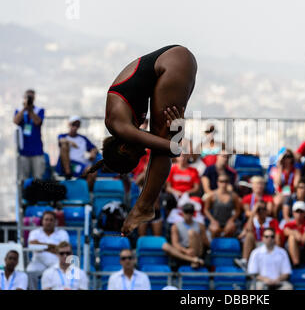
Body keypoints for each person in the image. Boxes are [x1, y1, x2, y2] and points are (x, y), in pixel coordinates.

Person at [86, 45, 197, 236]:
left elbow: (173, 149)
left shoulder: (120, 126)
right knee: (164, 138)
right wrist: (178, 129)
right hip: (174, 63)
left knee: (162, 146)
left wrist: (178, 130)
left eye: (137, 154)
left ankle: (144, 207)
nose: (143, 151)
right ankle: (144, 206)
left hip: (173, 64)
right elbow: (174, 147)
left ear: (123, 148)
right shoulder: (120, 125)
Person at [26, 211, 70, 290]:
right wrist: (53, 247)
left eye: (51, 220)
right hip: (38, 261)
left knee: (62, 273)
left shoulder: (63, 233)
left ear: (55, 222)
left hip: (56, 262)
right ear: (42, 221)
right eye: (46, 220)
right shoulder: (34, 232)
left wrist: (41, 246)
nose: (48, 222)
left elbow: (63, 249)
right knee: (30, 271)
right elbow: (32, 246)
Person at [236, 201, 281, 270]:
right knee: (249, 235)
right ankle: (244, 261)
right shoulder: (253, 220)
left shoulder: (273, 221)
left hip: (268, 245)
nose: (261, 211)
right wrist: (253, 212)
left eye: (264, 209)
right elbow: (246, 231)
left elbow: (278, 238)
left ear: (267, 211)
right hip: (255, 246)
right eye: (259, 209)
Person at [56, 115, 99, 189]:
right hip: (68, 164)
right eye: (73, 124)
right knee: (64, 145)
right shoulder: (63, 136)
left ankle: (86, 194)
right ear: (69, 124)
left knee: (93, 172)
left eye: (77, 125)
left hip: (80, 164)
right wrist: (71, 142)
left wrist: (93, 152)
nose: (75, 127)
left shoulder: (83, 138)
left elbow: (94, 148)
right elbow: (61, 141)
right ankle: (68, 173)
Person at [13, 89, 46, 180]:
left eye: (31, 97)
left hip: (37, 150)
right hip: (24, 151)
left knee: (38, 178)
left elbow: (38, 122)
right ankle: (25, 194)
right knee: (24, 178)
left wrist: (30, 110)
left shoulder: (39, 110)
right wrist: (25, 108)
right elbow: (15, 121)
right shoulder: (19, 110)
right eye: (27, 97)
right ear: (24, 98)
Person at [203, 173, 241, 238]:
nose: (223, 184)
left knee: (231, 228)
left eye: (226, 181)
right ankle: (213, 246)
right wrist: (212, 220)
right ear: (217, 182)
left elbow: (238, 210)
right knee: (214, 229)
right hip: (216, 220)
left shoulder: (234, 196)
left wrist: (231, 220)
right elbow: (206, 210)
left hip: (228, 220)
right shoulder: (212, 195)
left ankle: (227, 245)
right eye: (221, 181)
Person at [283, 201, 305, 270]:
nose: (299, 214)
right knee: (292, 237)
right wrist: (294, 233)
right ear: (293, 213)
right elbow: (286, 231)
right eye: (297, 211)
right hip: (294, 249)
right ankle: (296, 263)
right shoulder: (289, 224)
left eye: (301, 212)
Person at [269, 149, 301, 218]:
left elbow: (296, 185)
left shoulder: (296, 170)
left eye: (289, 156)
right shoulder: (276, 169)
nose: (287, 158)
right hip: (279, 193)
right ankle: (275, 220)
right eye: (285, 156)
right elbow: (278, 182)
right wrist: (280, 167)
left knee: (282, 200)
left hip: (292, 193)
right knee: (276, 203)